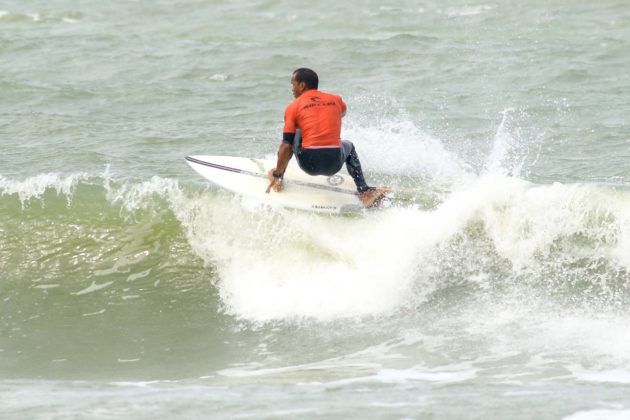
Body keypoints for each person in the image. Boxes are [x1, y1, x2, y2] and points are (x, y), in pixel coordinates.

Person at [266, 68, 387, 206]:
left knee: (295, 134)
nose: (292, 88)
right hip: (334, 163)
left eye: (293, 84)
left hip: (309, 164)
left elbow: (286, 145)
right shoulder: (336, 99)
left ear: (302, 85)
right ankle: (364, 191)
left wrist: (277, 171)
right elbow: (342, 112)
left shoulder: (293, 107)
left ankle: (278, 178)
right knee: (349, 146)